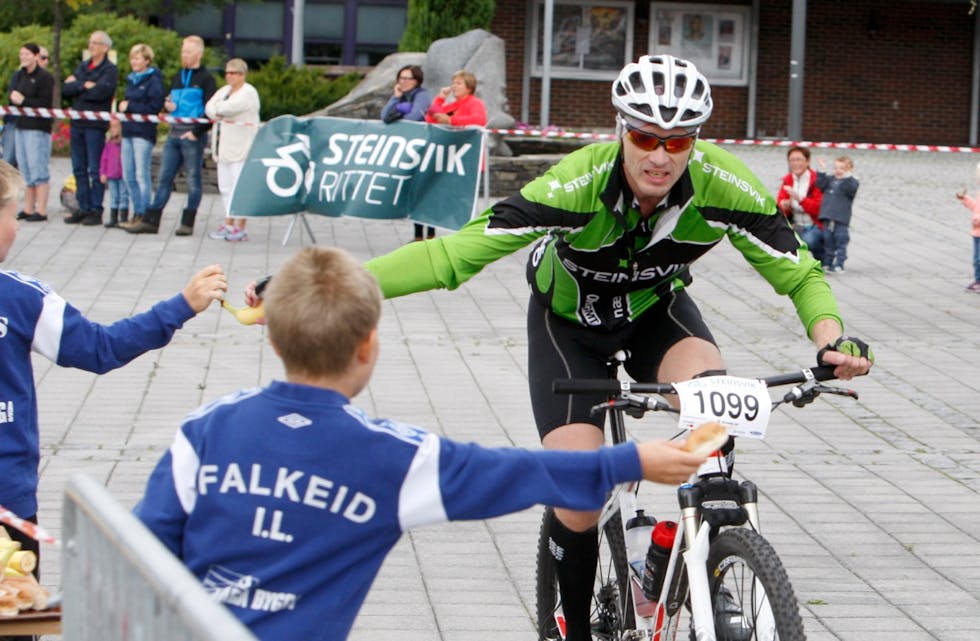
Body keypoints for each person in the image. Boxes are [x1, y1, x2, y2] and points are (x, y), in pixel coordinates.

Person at [226, 54, 870, 641]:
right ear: (621, 130)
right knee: (579, 489)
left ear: (695, 142)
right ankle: (575, 626)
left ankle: (688, 559)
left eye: (678, 141)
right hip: (569, 327)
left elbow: (800, 273)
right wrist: (319, 284)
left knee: (715, 414)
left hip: (655, 312)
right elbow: (451, 258)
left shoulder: (723, 187)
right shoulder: (575, 185)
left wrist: (831, 338)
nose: (660, 155)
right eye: (645, 137)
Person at [134, 245, 708, 641]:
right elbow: (515, 473)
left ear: (276, 341)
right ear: (367, 347)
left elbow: (135, 549)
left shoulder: (203, 431)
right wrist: (634, 459)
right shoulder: (392, 457)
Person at [0, 159, 227, 595]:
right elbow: (101, 349)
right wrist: (180, 306)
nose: (19, 226)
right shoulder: (21, 298)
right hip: (8, 502)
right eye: (13, 215)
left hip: (8, 497)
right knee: (14, 615)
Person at [126, 35, 216, 237]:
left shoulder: (206, 79)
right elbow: (171, 100)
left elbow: (212, 111)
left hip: (192, 134)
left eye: (188, 52)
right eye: (183, 51)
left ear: (199, 54)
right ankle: (151, 220)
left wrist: (196, 132)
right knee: (164, 177)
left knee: (193, 179)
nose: (184, 55)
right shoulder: (178, 76)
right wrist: (168, 106)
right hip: (174, 132)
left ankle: (187, 222)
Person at [62, 30, 118, 226]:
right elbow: (66, 88)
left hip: (95, 125)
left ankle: (95, 209)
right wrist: (83, 85)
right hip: (77, 122)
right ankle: (83, 207)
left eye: (96, 43)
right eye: (90, 42)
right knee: (79, 168)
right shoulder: (84, 66)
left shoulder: (109, 70)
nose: (91, 46)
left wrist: (79, 87)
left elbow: (101, 92)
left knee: (95, 169)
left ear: (105, 47)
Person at [205, 58, 260, 243]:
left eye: (233, 73)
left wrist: (218, 110)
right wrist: (217, 110)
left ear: (242, 75)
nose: (229, 76)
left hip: (242, 149)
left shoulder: (248, 92)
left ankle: (240, 227)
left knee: (240, 188)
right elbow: (209, 107)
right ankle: (228, 223)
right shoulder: (224, 91)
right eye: (227, 73)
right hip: (223, 148)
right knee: (225, 188)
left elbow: (230, 108)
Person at [381, 64, 434, 242]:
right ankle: (418, 236)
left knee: (424, 192)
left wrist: (401, 114)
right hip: (410, 151)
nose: (403, 82)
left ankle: (430, 235)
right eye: (400, 78)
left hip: (424, 150)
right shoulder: (402, 96)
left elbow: (414, 117)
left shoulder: (422, 96)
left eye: (407, 78)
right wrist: (395, 98)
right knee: (413, 192)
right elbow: (385, 116)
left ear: (416, 80)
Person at [117, 43, 165, 232]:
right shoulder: (131, 79)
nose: (134, 62)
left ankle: (145, 214)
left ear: (147, 60)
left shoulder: (154, 81)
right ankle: (136, 212)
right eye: (132, 58)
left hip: (143, 133)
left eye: (137, 58)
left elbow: (154, 106)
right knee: (128, 175)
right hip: (128, 131)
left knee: (141, 175)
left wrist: (130, 107)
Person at [9, 43, 54, 223]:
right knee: (25, 168)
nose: (24, 57)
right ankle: (28, 208)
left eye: (27, 54)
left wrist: (24, 101)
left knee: (38, 168)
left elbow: (44, 102)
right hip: (20, 125)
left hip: (37, 127)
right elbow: (12, 96)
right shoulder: (18, 75)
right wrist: (14, 98)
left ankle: (41, 210)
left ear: (36, 56)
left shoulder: (44, 77)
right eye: (21, 54)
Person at [776, 145, 823, 261]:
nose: (795, 163)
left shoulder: (817, 180)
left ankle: (823, 257)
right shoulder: (787, 179)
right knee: (776, 236)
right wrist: (785, 205)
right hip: (795, 224)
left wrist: (800, 200)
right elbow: (779, 206)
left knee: (809, 241)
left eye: (799, 159)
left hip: (814, 224)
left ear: (808, 161)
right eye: (792, 160)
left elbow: (818, 208)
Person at [815, 155, 860, 273]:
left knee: (841, 240)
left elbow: (851, 189)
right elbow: (820, 185)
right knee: (828, 240)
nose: (838, 171)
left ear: (849, 170)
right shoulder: (830, 180)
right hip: (827, 216)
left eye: (842, 168)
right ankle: (828, 262)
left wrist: (847, 176)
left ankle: (840, 263)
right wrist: (822, 170)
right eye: (836, 168)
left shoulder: (852, 182)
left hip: (841, 218)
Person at [954, 161, 980, 292]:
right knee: (976, 259)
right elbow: (976, 207)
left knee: (979, 259)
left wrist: (977, 219)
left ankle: (979, 281)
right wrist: (965, 199)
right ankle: (977, 280)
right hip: (977, 232)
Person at [99, 118, 128, 228]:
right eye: (111, 127)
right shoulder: (109, 143)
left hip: (123, 175)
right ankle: (113, 218)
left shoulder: (125, 143)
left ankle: (123, 218)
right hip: (111, 175)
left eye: (116, 126)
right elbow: (104, 159)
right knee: (113, 196)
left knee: (123, 195)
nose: (113, 129)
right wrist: (103, 172)